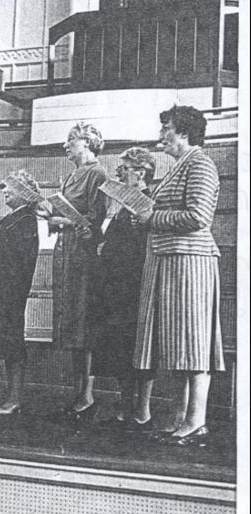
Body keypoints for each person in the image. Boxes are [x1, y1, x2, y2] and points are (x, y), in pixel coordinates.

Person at [133, 105, 224, 447]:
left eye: (167, 128)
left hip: (190, 261)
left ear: (184, 131)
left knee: (193, 341)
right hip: (170, 260)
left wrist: (152, 219)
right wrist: (144, 216)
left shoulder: (200, 163)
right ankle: (180, 417)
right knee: (177, 342)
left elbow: (199, 216)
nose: (161, 135)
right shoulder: (180, 166)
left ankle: (196, 421)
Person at [91, 147, 156, 431]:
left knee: (140, 347)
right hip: (115, 285)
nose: (118, 172)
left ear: (141, 171)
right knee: (118, 346)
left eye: (125, 168)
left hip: (137, 284)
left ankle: (142, 410)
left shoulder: (152, 199)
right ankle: (125, 405)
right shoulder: (118, 203)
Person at [47, 121, 108, 422]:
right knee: (70, 323)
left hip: (83, 255)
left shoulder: (97, 173)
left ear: (87, 142)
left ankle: (88, 394)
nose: (66, 145)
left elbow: (96, 219)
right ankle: (77, 392)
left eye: (71, 140)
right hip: (66, 253)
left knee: (84, 322)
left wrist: (65, 221)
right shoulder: (72, 174)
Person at [0, 170, 40, 415]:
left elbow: (18, 260)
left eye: (11, 187)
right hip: (2, 286)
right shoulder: (18, 218)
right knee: (9, 343)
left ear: (24, 193)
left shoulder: (25, 220)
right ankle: (11, 397)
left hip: (11, 289)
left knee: (13, 343)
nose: (5, 191)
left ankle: (14, 399)